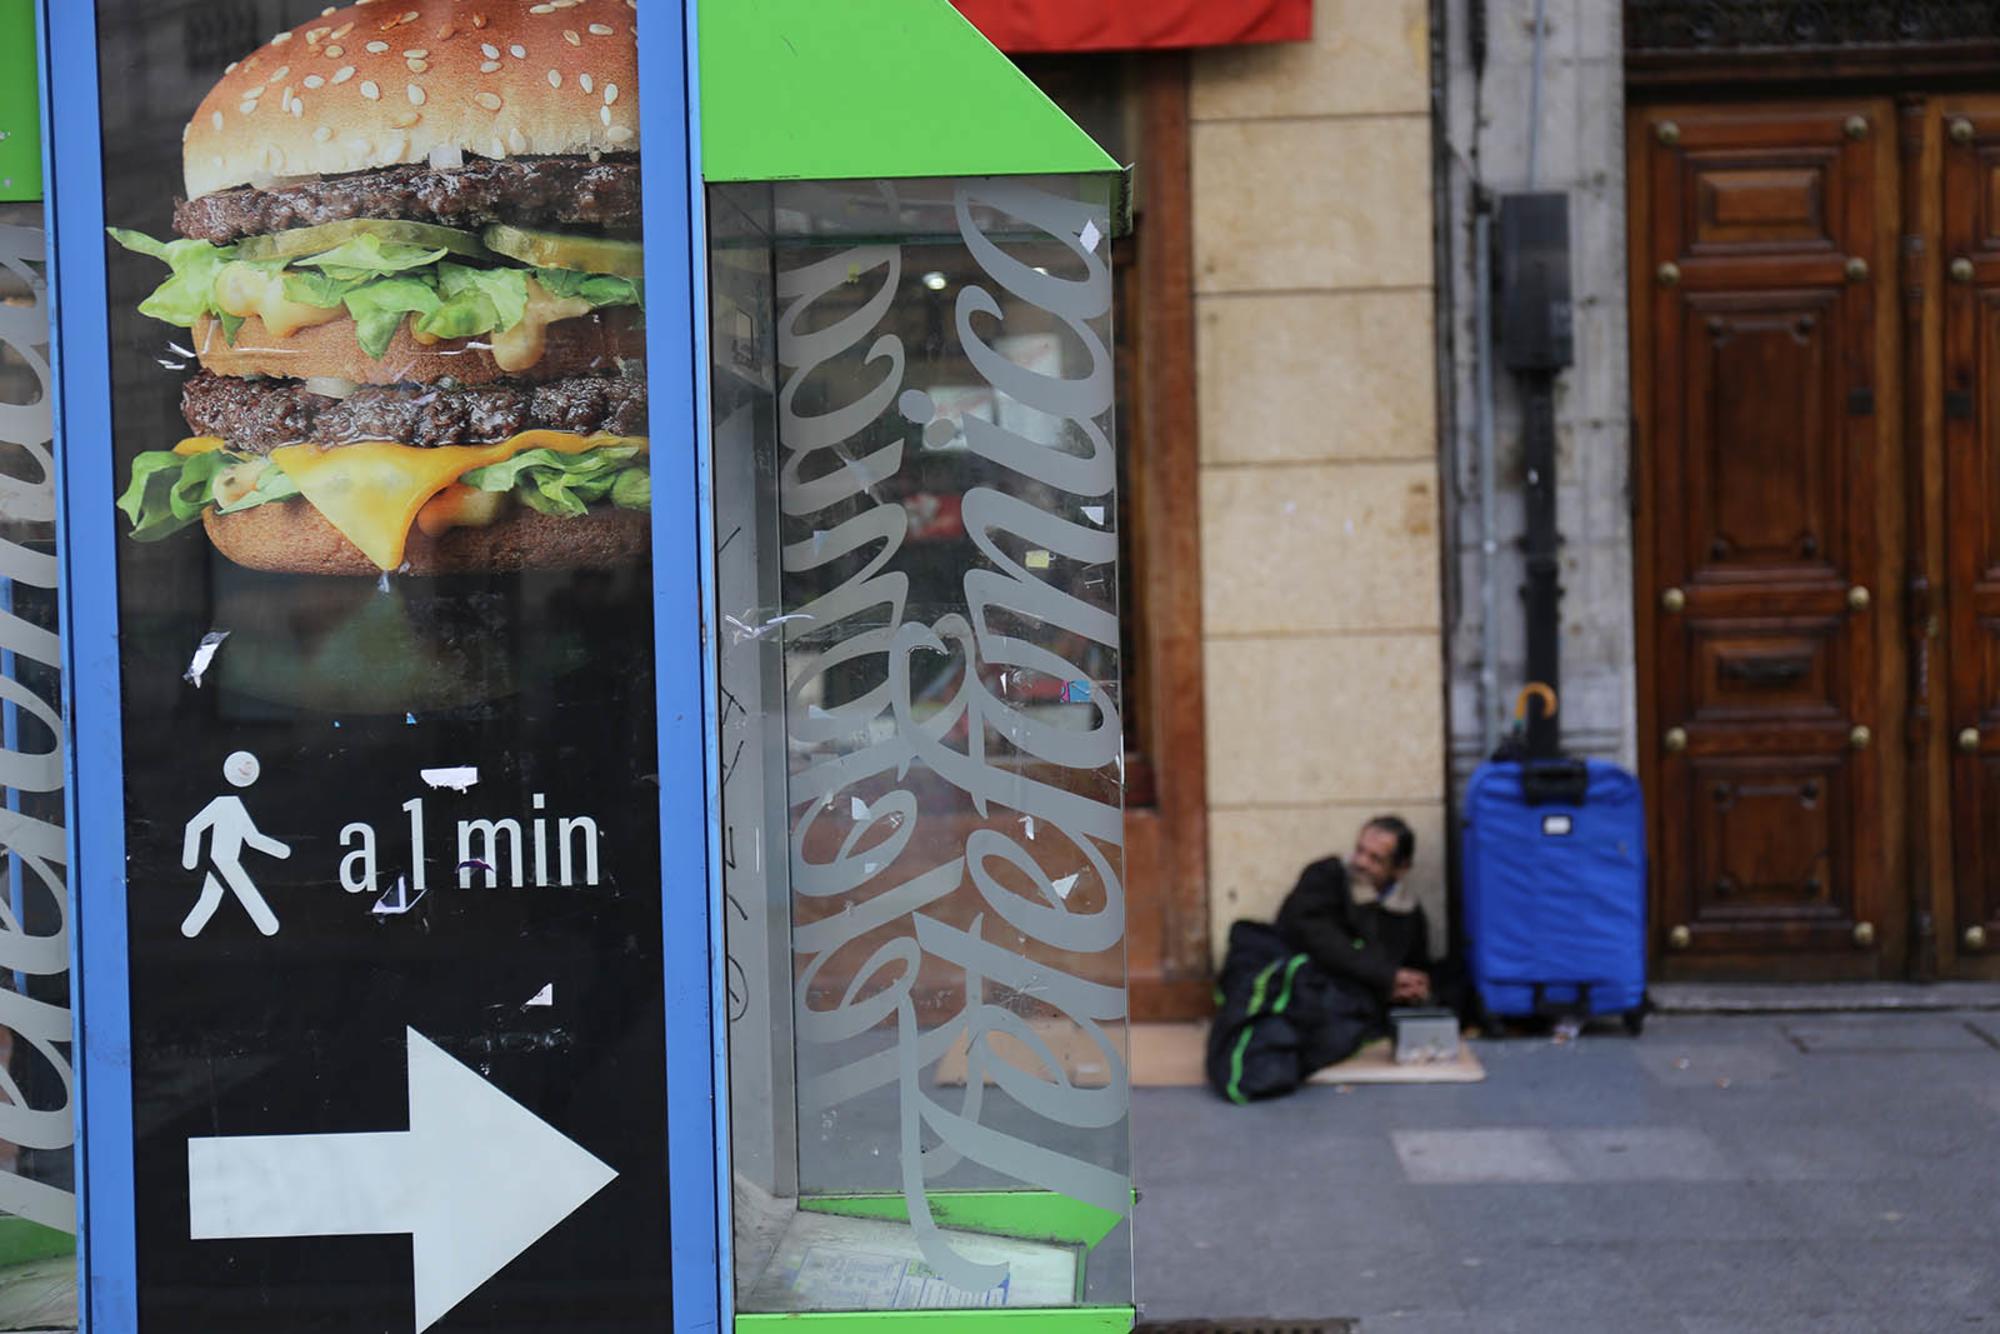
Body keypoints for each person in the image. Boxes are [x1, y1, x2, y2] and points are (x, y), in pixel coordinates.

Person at [1275, 815, 1432, 1014]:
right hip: (1311, 996)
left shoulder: (1408, 912)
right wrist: (1385, 976)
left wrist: (1410, 987)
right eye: (1360, 850)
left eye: (1375, 859)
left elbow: (1413, 966)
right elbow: (1319, 938)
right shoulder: (1325, 876)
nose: (1361, 862)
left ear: (1401, 869)